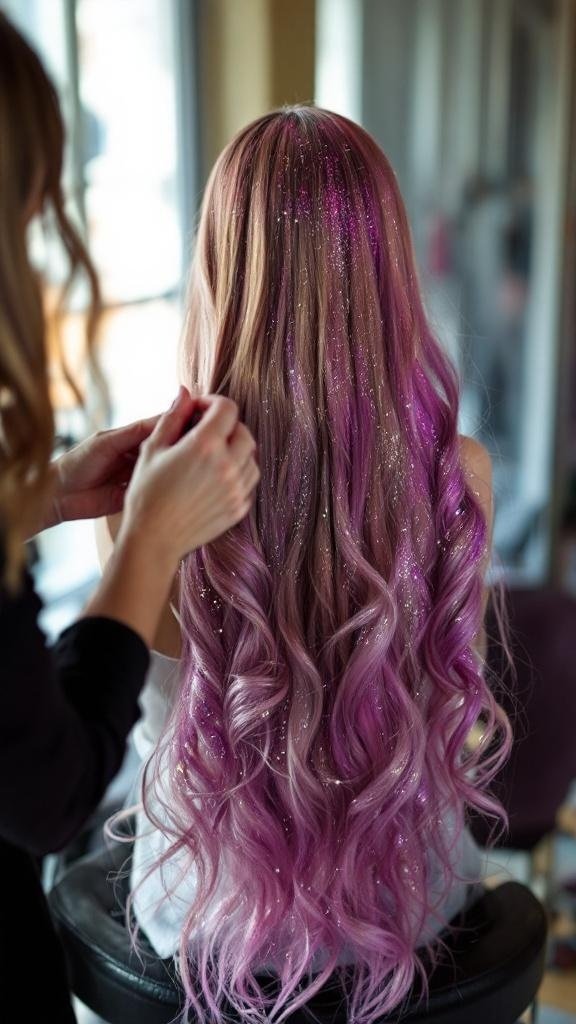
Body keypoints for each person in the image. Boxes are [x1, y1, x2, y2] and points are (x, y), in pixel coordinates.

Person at [99, 107, 511, 1024]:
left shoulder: (149, 497)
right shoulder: (461, 478)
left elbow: (126, 724)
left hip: (207, 909)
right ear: (387, 275)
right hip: (408, 897)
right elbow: (454, 710)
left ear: (219, 270)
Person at [0, 13, 258, 1021]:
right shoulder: (457, 476)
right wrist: (147, 541)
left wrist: (48, 491)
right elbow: (48, 789)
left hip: (187, 904)